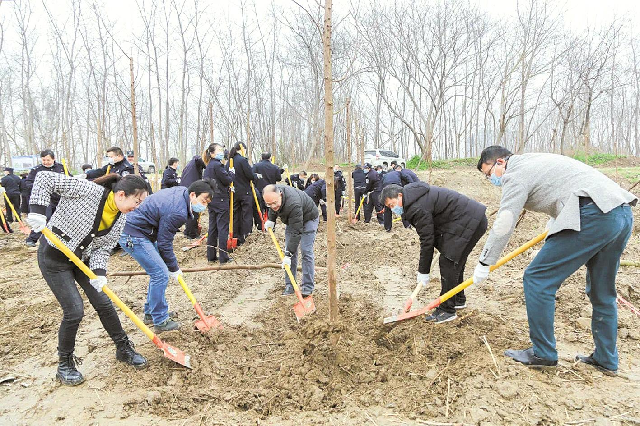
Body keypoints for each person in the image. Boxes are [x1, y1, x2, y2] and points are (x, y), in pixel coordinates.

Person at [473, 146, 636, 373]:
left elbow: (506, 220)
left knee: (537, 278)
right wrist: (558, 218)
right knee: (602, 291)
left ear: (500, 162)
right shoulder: (535, 159)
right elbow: (560, 184)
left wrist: (485, 261)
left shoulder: (515, 173)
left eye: (488, 173)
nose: (490, 179)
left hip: (593, 214)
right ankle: (606, 359)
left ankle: (543, 353)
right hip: (621, 213)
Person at [27, 172, 149, 385]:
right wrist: (37, 211)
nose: (137, 207)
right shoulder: (87, 191)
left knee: (104, 302)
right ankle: (64, 364)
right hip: (54, 257)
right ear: (121, 195)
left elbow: (103, 248)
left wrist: (100, 274)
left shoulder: (120, 219)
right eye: (136, 201)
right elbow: (45, 178)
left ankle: (123, 348)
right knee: (74, 310)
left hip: (81, 260)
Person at [381, 182, 487, 323]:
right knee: (454, 260)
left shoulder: (416, 207)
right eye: (389, 207)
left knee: (448, 261)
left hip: (469, 221)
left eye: (392, 204)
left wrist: (423, 271)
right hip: (467, 219)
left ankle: (447, 310)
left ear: (400, 195)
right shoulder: (413, 197)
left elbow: (427, 240)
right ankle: (458, 299)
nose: (393, 209)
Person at [120, 179, 216, 331]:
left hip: (143, 232)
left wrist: (171, 265)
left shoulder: (182, 193)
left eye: (207, 203)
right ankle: (160, 320)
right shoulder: (178, 212)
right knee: (160, 273)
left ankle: (151, 312)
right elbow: (164, 243)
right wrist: (174, 268)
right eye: (204, 200)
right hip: (133, 234)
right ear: (193, 194)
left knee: (159, 271)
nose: (204, 205)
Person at [263, 184, 319, 296]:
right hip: (293, 220)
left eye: (274, 203)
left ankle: (307, 287)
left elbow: (296, 231)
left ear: (281, 195)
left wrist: (288, 254)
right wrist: (271, 219)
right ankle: (290, 285)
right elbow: (273, 208)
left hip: (308, 219)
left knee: (306, 251)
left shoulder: (293, 203)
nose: (273, 206)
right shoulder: (274, 197)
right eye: (269, 204)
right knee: (289, 252)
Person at [24, 150, 68, 247]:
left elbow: (70, 179)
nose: (46, 162)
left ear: (53, 159)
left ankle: (57, 240)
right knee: (44, 218)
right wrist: (41, 187)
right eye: (43, 160)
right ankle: (32, 239)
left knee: (60, 219)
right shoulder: (36, 170)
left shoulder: (61, 168)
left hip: (60, 198)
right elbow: (28, 183)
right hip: (45, 199)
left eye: (48, 160)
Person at [204, 144, 234, 264]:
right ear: (211, 153)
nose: (221, 152)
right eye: (219, 150)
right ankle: (223, 256)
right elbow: (227, 179)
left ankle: (211, 255)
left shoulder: (208, 166)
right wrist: (231, 173)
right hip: (221, 199)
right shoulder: (217, 165)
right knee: (222, 228)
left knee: (212, 228)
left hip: (212, 199)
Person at [227, 142, 255, 245]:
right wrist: (254, 175)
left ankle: (235, 235)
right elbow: (250, 175)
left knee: (235, 214)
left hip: (233, 192)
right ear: (243, 149)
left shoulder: (229, 161)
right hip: (244, 191)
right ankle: (245, 235)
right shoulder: (243, 160)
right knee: (246, 214)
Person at [180, 147, 211, 238]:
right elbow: (201, 161)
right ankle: (193, 234)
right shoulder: (197, 161)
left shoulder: (190, 164)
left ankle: (187, 231)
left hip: (186, 188)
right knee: (194, 212)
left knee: (190, 211)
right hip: (191, 189)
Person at [253, 152, 283, 224]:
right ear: (270, 158)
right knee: (271, 208)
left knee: (259, 208)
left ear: (261, 157)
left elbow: (252, 176)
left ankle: (260, 225)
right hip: (271, 190)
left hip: (259, 189)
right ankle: (271, 225)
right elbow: (279, 178)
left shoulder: (256, 166)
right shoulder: (275, 167)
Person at [381, 167, 403, 232]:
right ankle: (407, 225)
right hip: (397, 188)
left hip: (387, 189)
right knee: (402, 205)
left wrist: (383, 206)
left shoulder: (385, 176)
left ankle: (387, 228)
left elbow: (381, 187)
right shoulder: (398, 173)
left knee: (387, 208)